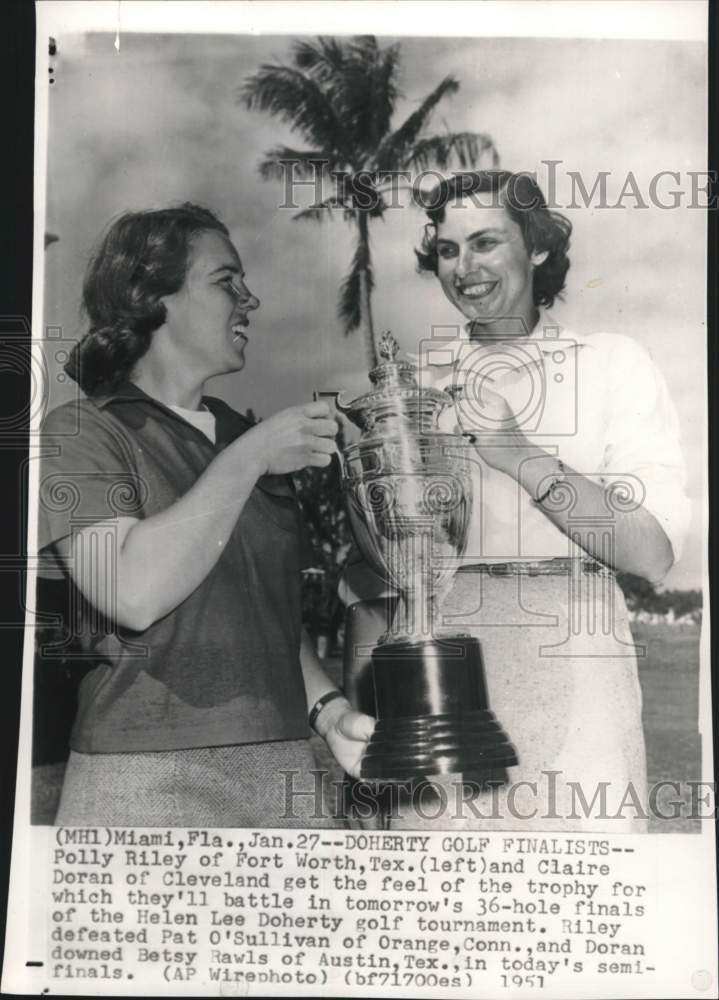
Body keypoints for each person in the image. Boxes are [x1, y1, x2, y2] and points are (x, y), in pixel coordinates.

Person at [341, 170, 691, 831]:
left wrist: (517, 452)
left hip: (577, 655)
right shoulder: (412, 392)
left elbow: (649, 554)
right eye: (448, 250)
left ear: (537, 246)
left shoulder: (611, 363)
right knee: (435, 885)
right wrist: (365, 743)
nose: (463, 269)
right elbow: (373, 587)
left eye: (485, 243)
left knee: (580, 879)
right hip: (433, 668)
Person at [38, 203, 374, 827]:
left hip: (282, 767)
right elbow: (130, 592)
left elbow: (266, 617)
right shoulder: (80, 432)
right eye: (226, 281)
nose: (250, 299)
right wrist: (247, 460)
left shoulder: (242, 438)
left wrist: (330, 714)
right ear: (150, 296)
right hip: (144, 778)